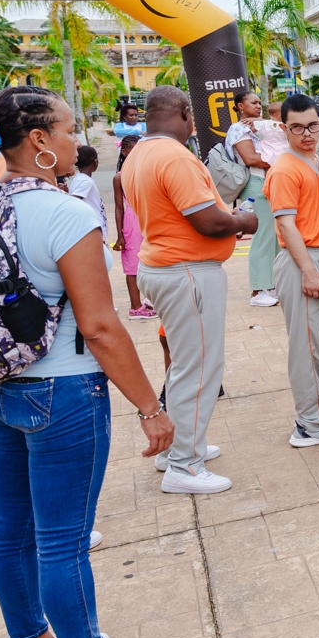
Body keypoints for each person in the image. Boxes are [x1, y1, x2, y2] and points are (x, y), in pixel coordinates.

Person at [0, 87, 177, 638]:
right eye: (66, 130)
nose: (73, 140)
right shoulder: (64, 213)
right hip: (63, 391)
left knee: (12, 528)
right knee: (63, 540)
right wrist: (150, 406)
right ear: (37, 142)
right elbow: (99, 327)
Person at [121, 86, 255, 493]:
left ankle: (178, 447)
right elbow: (209, 222)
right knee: (198, 370)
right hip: (187, 271)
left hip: (167, 267)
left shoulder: (139, 154)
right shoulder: (174, 157)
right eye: (192, 115)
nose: (194, 122)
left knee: (184, 366)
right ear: (182, 112)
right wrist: (243, 221)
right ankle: (185, 465)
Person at [265, 93, 319, 447]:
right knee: (306, 345)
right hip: (304, 261)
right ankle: (309, 423)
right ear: (283, 128)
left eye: (312, 125)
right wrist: (308, 270)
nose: (306, 133)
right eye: (296, 127)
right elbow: (286, 226)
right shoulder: (285, 168)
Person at [225, 90, 278, 308]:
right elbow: (251, 158)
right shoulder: (239, 128)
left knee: (273, 236)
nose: (258, 106)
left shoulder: (258, 125)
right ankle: (257, 291)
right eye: (253, 103)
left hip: (264, 183)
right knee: (263, 236)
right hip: (256, 186)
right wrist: (282, 160)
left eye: (259, 102)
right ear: (239, 106)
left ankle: (271, 284)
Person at [111, 134, 153, 319]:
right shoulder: (119, 178)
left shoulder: (147, 172)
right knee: (132, 267)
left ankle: (149, 301)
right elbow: (119, 208)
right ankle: (135, 307)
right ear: (124, 151)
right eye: (133, 150)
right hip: (131, 222)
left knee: (152, 261)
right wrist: (120, 235)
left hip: (149, 219)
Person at [68, 144, 107, 234]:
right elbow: (74, 202)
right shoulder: (86, 182)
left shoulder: (79, 178)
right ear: (95, 162)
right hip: (92, 229)